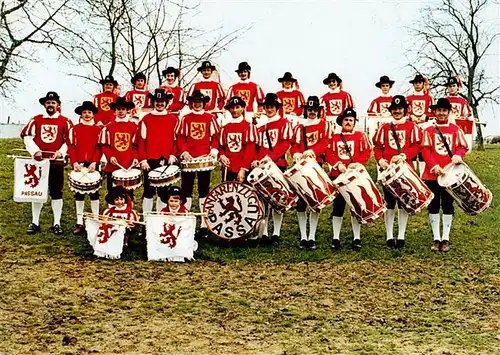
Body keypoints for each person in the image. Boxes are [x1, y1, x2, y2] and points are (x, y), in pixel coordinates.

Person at [373, 95, 422, 249]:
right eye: (394, 109)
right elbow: (377, 147)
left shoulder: (412, 127)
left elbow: (417, 146)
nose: (397, 111)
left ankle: (401, 235)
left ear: (405, 110)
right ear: (391, 111)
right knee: (389, 203)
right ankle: (389, 235)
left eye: (400, 109)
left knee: (403, 202)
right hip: (388, 171)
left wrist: (404, 155)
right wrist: (380, 160)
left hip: (405, 170)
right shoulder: (384, 128)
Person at [21, 91, 73, 235]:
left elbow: (69, 141)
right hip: (39, 162)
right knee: (37, 191)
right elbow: (27, 137)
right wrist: (35, 151)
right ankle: (35, 222)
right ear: (45, 104)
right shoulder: (36, 120)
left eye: (53, 103)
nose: (50, 105)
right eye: (48, 103)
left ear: (58, 105)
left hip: (56, 162)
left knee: (56, 191)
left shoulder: (65, 121)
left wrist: (61, 153)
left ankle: (57, 223)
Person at [421, 98, 468, 252]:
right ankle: (436, 238)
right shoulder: (428, 130)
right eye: (439, 110)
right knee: (433, 206)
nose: (441, 113)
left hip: (450, 174)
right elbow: (425, 151)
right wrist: (434, 166)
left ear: (449, 112)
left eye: (444, 110)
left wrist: (459, 155)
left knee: (448, 205)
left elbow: (462, 147)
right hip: (432, 174)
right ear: (435, 112)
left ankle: (445, 238)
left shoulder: (455, 129)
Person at [326, 108, 372, 251]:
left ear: (354, 122)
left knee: (355, 206)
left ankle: (356, 238)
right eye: (346, 120)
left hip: (354, 176)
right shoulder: (334, 137)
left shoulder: (360, 136)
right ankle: (335, 237)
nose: (348, 122)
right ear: (342, 122)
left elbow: (366, 152)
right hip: (338, 176)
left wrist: (357, 163)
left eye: (351, 120)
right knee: (337, 208)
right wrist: (338, 164)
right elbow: (329, 153)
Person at [177, 90, 220, 238]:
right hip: (188, 159)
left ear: (203, 103)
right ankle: (186, 219)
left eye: (199, 102)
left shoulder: (210, 118)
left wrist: (213, 151)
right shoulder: (186, 118)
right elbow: (181, 137)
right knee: (186, 189)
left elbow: (215, 137)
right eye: (194, 102)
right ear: (191, 103)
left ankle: (203, 223)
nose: (197, 104)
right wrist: (184, 151)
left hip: (204, 159)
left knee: (203, 189)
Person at [251, 93, 294, 245]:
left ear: (277, 108)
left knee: (279, 198)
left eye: (272, 107)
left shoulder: (284, 123)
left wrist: (271, 157)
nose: (269, 109)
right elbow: (256, 147)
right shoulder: (260, 126)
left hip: (278, 164)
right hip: (262, 167)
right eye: (267, 107)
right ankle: (264, 232)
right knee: (264, 199)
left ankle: (276, 232)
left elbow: (285, 144)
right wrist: (256, 159)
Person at [290, 96, 328, 250]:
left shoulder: (323, 124)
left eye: (315, 109)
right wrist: (296, 153)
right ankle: (303, 235)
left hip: (316, 164)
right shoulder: (300, 126)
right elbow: (295, 145)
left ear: (319, 110)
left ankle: (311, 236)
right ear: (306, 110)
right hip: (301, 166)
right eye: (309, 109)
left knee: (315, 200)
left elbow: (325, 142)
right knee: (301, 202)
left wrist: (313, 151)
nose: (312, 112)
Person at [137, 89, 178, 213]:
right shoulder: (146, 119)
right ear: (153, 102)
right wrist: (143, 159)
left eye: (162, 101)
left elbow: (177, 140)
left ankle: (160, 218)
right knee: (148, 191)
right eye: (157, 101)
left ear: (166, 102)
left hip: (166, 159)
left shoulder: (173, 119)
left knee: (164, 191)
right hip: (150, 160)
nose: (159, 104)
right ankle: (147, 220)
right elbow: (141, 141)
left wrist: (172, 154)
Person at [68, 101, 102, 235]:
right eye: (84, 112)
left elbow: (99, 147)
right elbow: (71, 147)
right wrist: (74, 162)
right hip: (79, 164)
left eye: (89, 112)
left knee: (95, 193)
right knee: (79, 194)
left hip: (93, 165)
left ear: (93, 114)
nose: (87, 115)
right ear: (81, 114)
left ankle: (95, 219)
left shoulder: (98, 130)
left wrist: (95, 162)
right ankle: (79, 222)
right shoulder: (75, 129)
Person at [98, 96, 139, 196]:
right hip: (113, 164)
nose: (121, 111)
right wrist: (110, 156)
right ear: (114, 111)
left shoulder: (133, 126)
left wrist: (135, 157)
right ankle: (112, 209)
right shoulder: (108, 127)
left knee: (128, 193)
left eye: (123, 109)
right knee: (112, 192)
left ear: (127, 111)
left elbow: (135, 146)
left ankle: (128, 210)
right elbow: (104, 146)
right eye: (118, 109)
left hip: (128, 164)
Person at [219, 96, 258, 182]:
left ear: (243, 108)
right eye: (232, 108)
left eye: (237, 107)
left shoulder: (249, 126)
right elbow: (222, 146)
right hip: (228, 169)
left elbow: (250, 150)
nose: (235, 110)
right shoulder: (225, 128)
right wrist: (222, 155)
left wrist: (243, 169)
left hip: (243, 168)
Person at [406, 73, 435, 175]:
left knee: (424, 149)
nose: (417, 85)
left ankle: (423, 175)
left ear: (423, 84)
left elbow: (434, 112)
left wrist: (426, 115)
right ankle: (412, 173)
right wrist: (411, 116)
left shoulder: (429, 98)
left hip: (425, 127)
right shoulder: (408, 98)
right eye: (415, 83)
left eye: (419, 82)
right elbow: (404, 112)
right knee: (412, 149)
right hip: (412, 127)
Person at [444, 76, 473, 151]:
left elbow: (467, 114)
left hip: (458, 129)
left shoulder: (462, 101)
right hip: (445, 128)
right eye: (450, 86)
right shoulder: (444, 100)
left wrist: (466, 117)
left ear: (457, 87)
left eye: (454, 86)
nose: (452, 88)